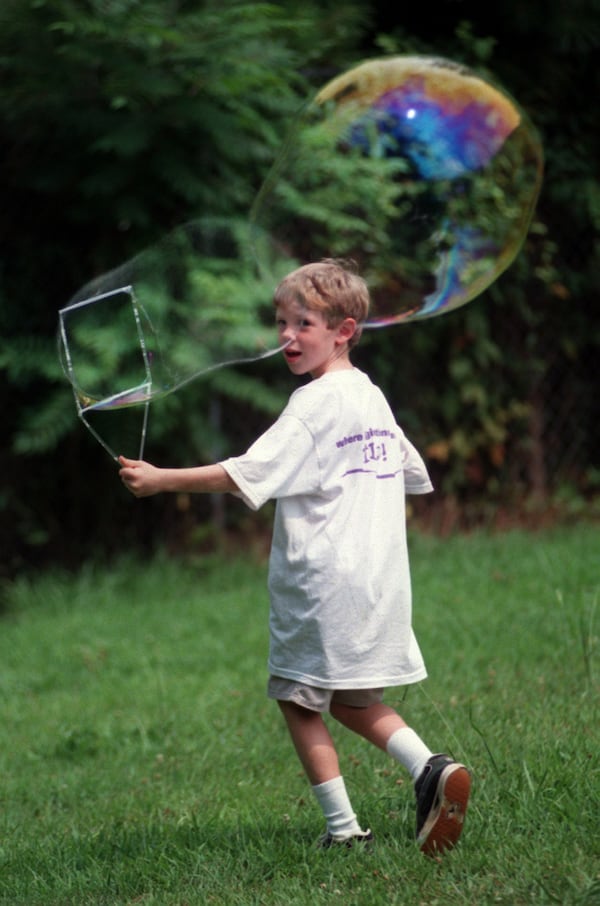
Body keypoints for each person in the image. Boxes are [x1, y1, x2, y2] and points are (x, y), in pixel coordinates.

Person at [119, 259, 471, 855]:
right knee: (353, 700)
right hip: (381, 581)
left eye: (303, 323)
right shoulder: (372, 397)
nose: (286, 335)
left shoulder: (313, 404)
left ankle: (343, 831)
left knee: (296, 696)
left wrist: (160, 480)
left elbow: (245, 475)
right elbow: (412, 473)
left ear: (345, 330)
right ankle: (430, 768)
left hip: (321, 583)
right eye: (281, 322)